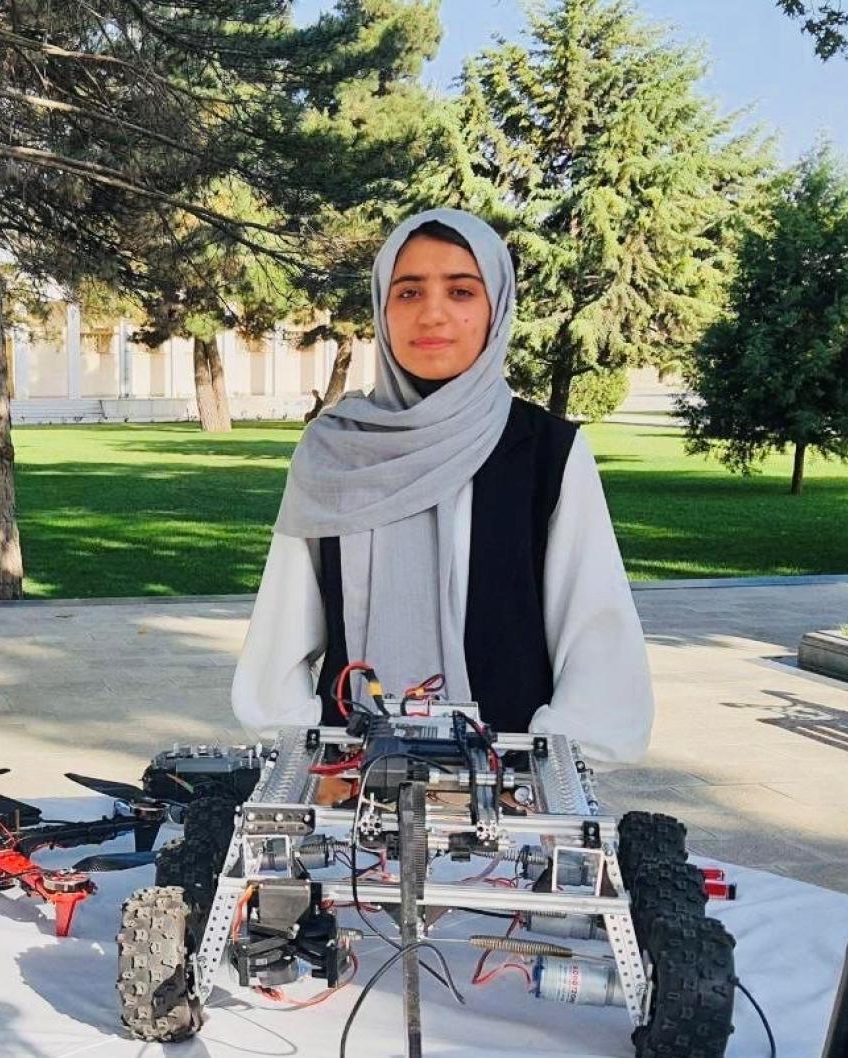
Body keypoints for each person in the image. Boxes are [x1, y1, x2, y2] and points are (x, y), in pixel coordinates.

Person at [232, 208, 652, 765]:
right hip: (350, 785)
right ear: (382, 310)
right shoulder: (335, 450)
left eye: (461, 291)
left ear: (496, 307)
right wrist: (304, 756)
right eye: (408, 293)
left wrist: (552, 766)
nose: (432, 315)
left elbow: (595, 634)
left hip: (507, 796)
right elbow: (283, 629)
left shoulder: (546, 453)